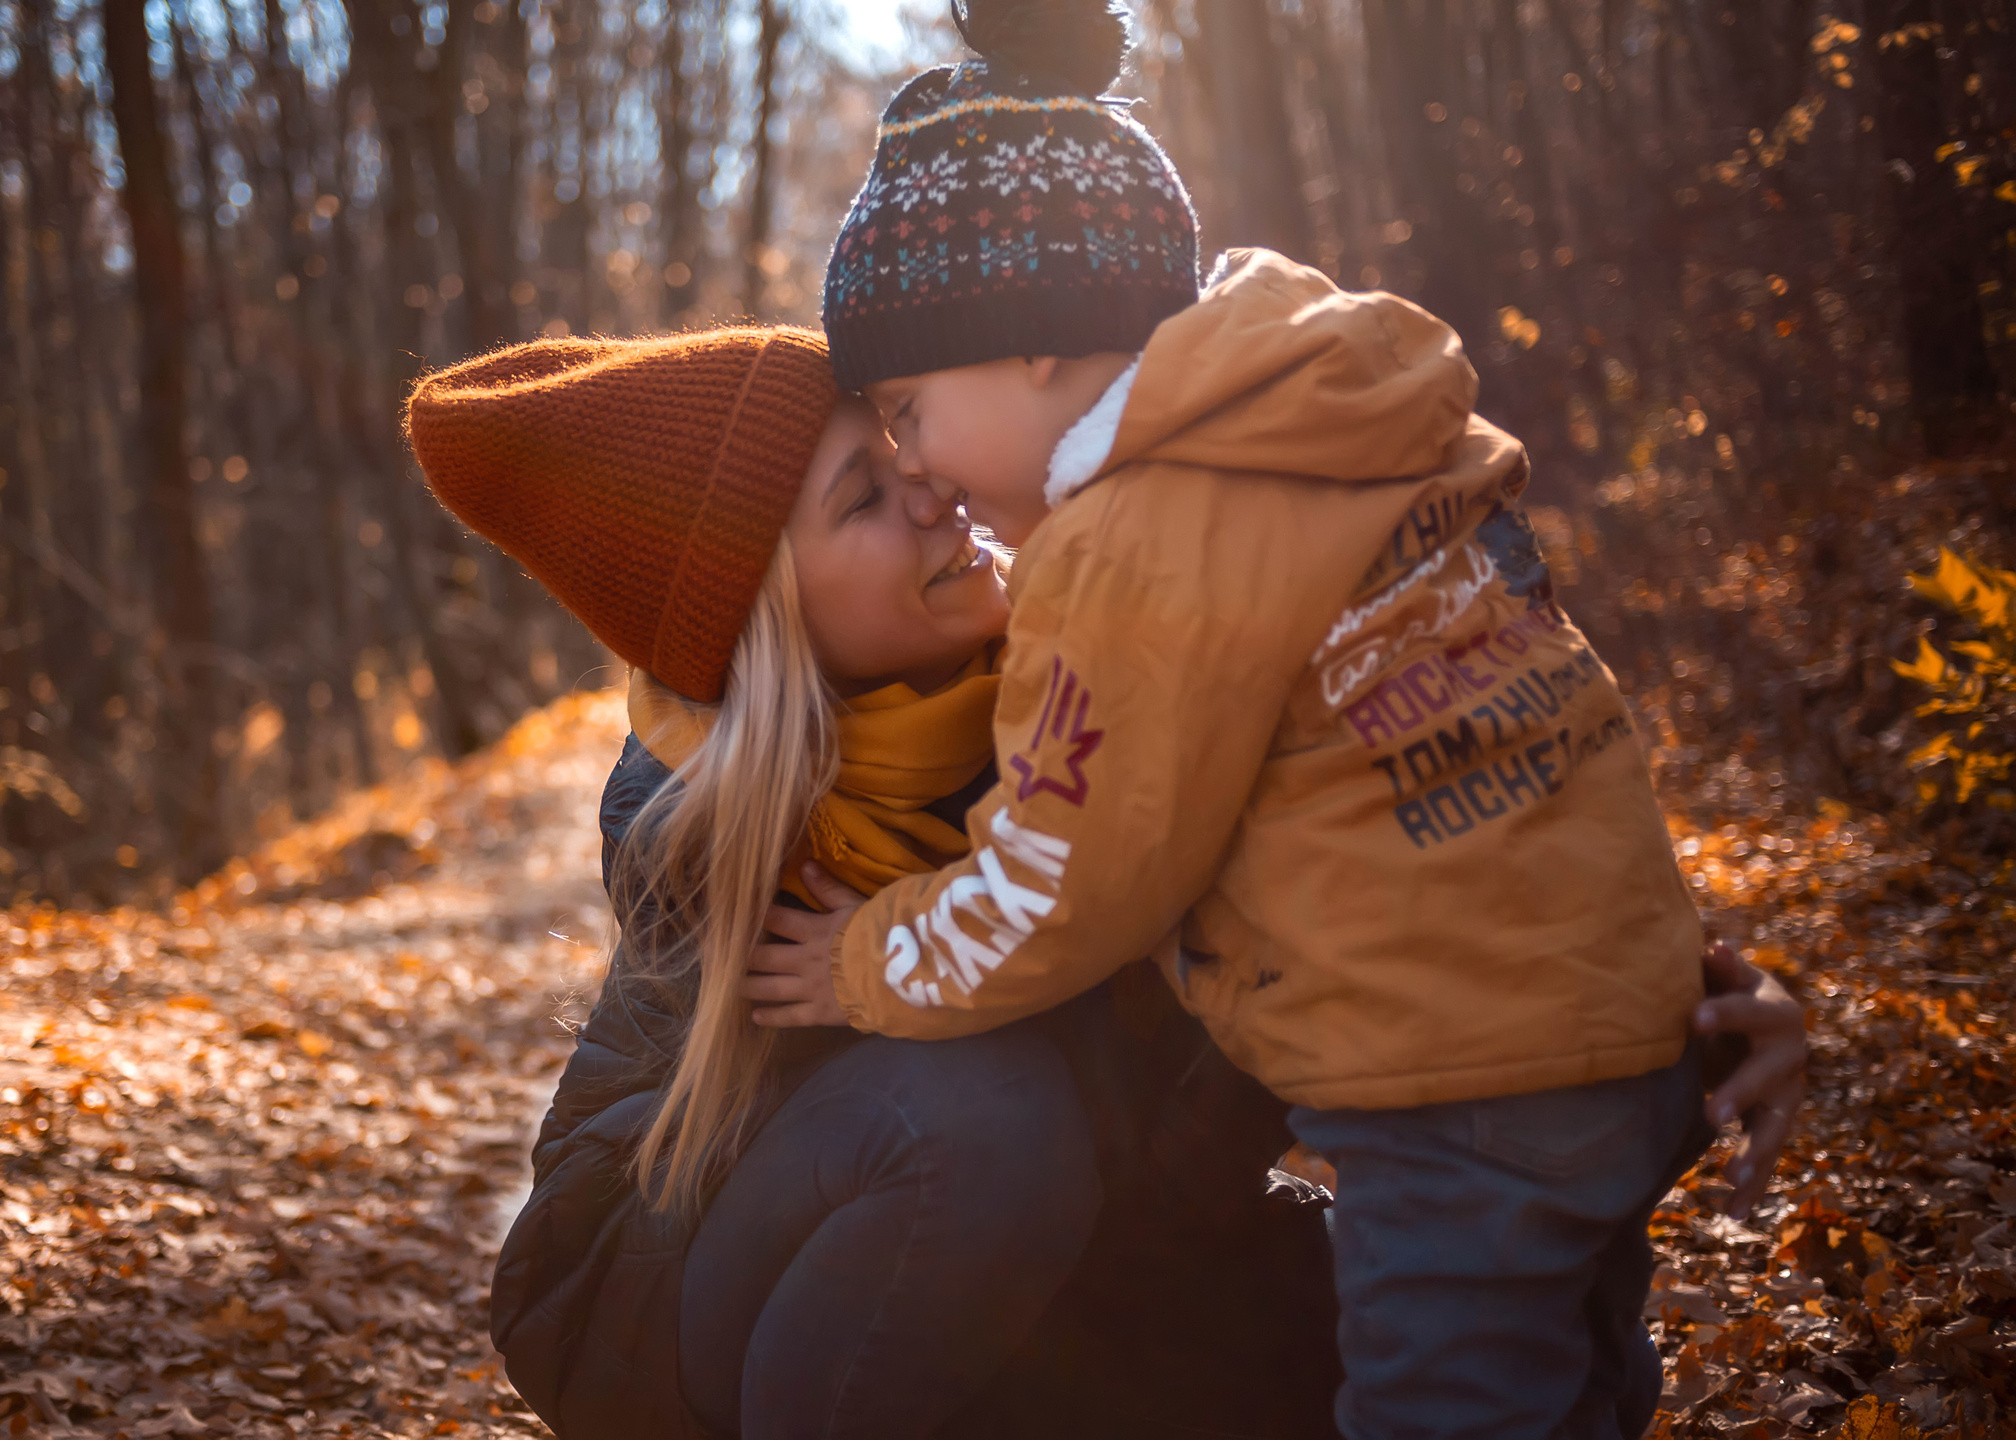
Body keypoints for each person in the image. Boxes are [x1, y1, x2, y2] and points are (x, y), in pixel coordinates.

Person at [404, 329, 1808, 1440]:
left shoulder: (1118, 672)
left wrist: (1643, 984)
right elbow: (1005, 1113)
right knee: (979, 1116)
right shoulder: (728, 814)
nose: (930, 485)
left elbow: (1379, 888)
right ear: (767, 625)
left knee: (1551, 1363)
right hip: (700, 1300)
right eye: (861, 496)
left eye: (900, 435)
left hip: (1067, 1260)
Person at [739, 2, 1802, 1438]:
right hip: (1622, 1030)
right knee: (1584, 1378)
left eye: (911, 405)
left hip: (1451, 1099)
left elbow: (1063, 883)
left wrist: (857, 965)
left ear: (1035, 347)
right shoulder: (1334, 433)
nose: (914, 459)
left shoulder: (1128, 551)